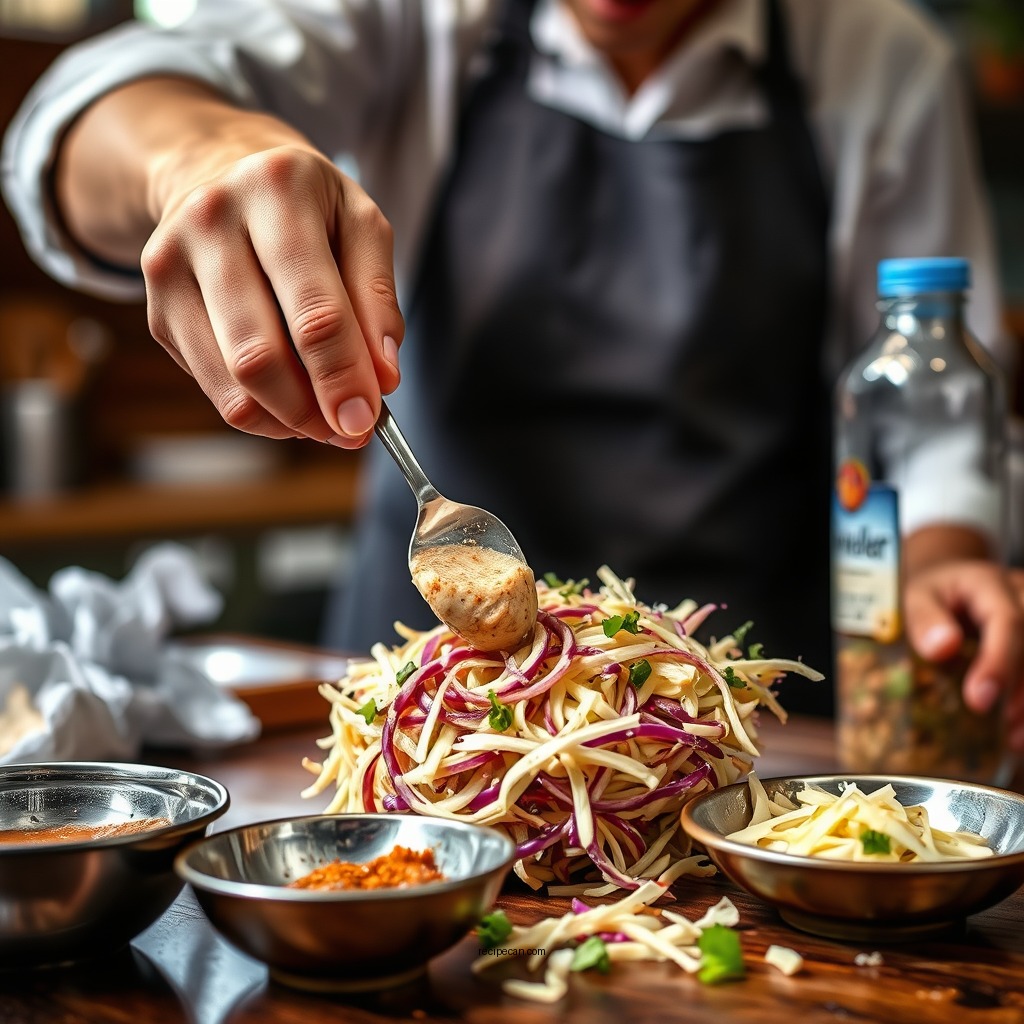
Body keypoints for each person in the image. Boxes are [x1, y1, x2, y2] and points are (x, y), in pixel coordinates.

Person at [2, 0, 1022, 737]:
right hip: (438, 729)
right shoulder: (422, 23)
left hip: (751, 733)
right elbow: (91, 105)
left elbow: (928, 411)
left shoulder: (879, 57)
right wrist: (200, 158)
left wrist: (938, 561)